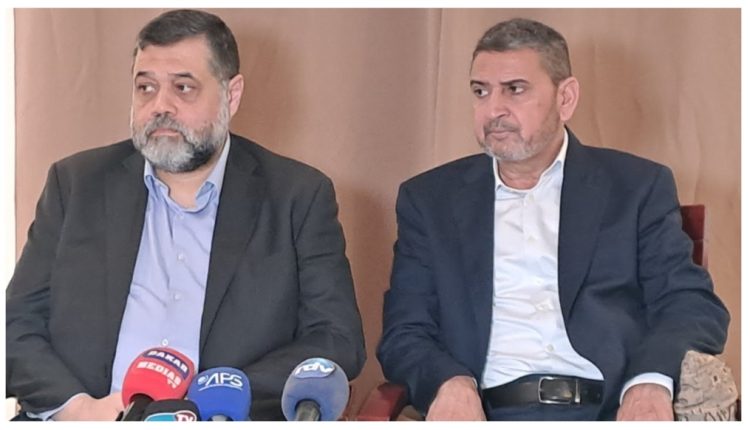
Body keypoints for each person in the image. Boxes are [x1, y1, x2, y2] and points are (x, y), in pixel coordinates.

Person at [6, 9, 365, 421]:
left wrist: (213, 398)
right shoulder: (76, 184)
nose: (160, 105)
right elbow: (15, 325)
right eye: (145, 87)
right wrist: (77, 408)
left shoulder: (296, 196)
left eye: (183, 87)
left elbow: (336, 339)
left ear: (231, 95)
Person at [377, 18, 729, 421]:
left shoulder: (635, 188)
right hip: (486, 412)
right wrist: (449, 383)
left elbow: (689, 304)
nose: (493, 110)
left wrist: (649, 382)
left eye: (515, 89)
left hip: (609, 410)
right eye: (480, 91)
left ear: (566, 98)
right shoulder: (430, 200)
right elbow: (404, 332)